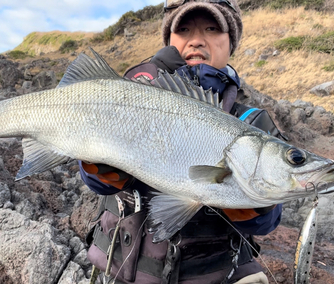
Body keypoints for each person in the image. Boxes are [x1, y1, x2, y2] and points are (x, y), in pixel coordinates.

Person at [80, 1, 284, 283]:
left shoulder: (251, 123)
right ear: (169, 40)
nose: (197, 40)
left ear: (231, 42)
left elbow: (267, 223)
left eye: (212, 29)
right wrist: (98, 163)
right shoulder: (133, 96)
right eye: (184, 29)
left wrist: (257, 202)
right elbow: (96, 183)